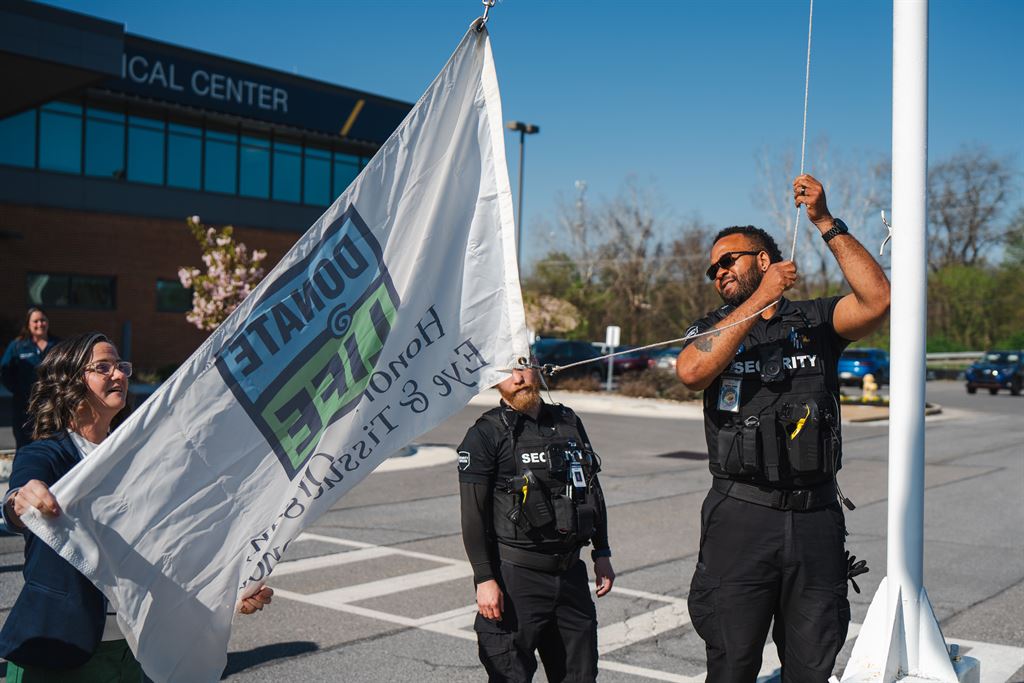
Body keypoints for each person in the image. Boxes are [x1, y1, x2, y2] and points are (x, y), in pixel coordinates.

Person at [675, 174, 890, 682]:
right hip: (742, 517)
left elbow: (878, 300)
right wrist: (755, 302)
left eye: (730, 259)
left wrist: (823, 221)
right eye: (713, 268)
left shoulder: (814, 320)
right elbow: (691, 372)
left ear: (765, 259)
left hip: (816, 518)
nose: (719, 270)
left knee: (812, 663)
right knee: (732, 663)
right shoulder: (713, 327)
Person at [0, 332, 273, 681]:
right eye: (103, 367)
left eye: (121, 366)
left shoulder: (140, 458)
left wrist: (229, 591)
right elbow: (19, 497)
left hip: (136, 651)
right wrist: (20, 500)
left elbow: (173, 544)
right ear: (70, 381)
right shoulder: (46, 454)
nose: (119, 375)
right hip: (59, 651)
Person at [458, 362, 615, 682]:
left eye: (522, 367)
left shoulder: (568, 420)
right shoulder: (485, 433)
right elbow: (473, 513)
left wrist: (602, 551)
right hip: (516, 578)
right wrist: (484, 579)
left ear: (537, 370)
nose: (517, 378)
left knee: (580, 675)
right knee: (510, 675)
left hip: (571, 574)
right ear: (493, 381)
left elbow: (590, 488)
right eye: (506, 372)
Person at [1, 307, 59, 448]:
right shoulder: (17, 346)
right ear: (28, 324)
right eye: (36, 321)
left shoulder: (58, 345)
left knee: (51, 445)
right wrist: (18, 389)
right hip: (24, 407)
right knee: (25, 446)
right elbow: (4, 372)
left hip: (51, 405)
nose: (40, 324)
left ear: (48, 322)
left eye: (43, 320)